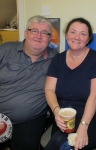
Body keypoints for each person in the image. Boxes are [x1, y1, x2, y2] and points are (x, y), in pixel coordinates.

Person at [44, 17, 96, 150]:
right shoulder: (58, 59)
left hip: (94, 117)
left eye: (83, 34)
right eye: (73, 32)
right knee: (58, 141)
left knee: (64, 144)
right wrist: (57, 112)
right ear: (66, 34)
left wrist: (83, 127)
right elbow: (49, 89)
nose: (77, 37)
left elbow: (95, 96)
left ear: (88, 38)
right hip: (65, 116)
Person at [0, 15, 57, 150]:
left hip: (30, 119)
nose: (39, 36)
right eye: (34, 31)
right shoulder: (5, 50)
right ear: (26, 33)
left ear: (49, 39)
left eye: (44, 33)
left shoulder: (56, 59)